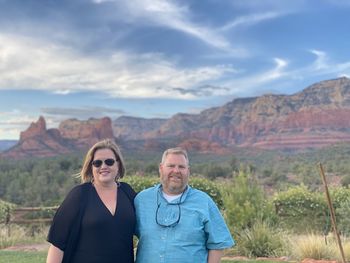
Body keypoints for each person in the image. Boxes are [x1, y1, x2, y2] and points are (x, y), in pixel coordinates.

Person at [134, 147, 234, 263]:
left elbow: (217, 244)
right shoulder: (141, 200)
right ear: (161, 168)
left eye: (181, 167)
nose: (176, 171)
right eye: (171, 166)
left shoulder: (204, 202)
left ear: (188, 171)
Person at [46, 139, 136, 263]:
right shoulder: (79, 195)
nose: (103, 166)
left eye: (109, 162)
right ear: (91, 167)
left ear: (118, 164)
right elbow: (57, 244)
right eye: (97, 163)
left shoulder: (127, 192)